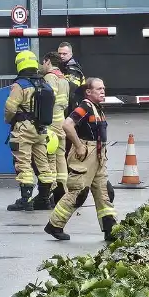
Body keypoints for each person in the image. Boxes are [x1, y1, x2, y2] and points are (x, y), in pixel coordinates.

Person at [45, 77, 118, 241]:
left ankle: (110, 229)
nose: (102, 91)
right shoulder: (85, 106)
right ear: (88, 92)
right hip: (86, 156)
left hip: (98, 156)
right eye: (99, 89)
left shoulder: (97, 108)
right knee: (78, 192)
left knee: (104, 192)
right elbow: (67, 124)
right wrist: (78, 145)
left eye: (103, 88)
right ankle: (54, 225)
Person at [4, 50, 54, 211]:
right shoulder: (44, 83)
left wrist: (9, 120)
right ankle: (45, 199)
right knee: (42, 163)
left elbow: (10, 107)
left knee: (23, 163)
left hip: (24, 129)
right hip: (41, 130)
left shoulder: (21, 85)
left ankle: (25, 200)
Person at [40, 52, 70, 205]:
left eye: (42, 63)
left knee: (48, 158)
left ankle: (50, 192)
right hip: (61, 123)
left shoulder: (50, 78)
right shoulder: (63, 78)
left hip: (50, 124)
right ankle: (63, 191)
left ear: (47, 62)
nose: (41, 66)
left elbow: (47, 100)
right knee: (61, 158)